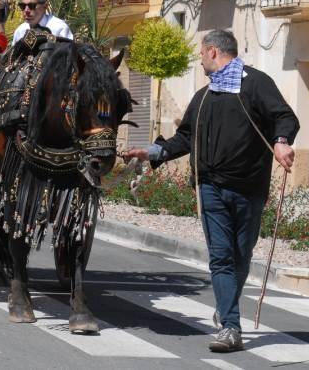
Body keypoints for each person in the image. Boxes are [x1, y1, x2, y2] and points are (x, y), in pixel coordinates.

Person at [123, 30, 299, 353]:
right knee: (221, 258)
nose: (200, 59)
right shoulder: (203, 98)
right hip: (210, 189)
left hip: (249, 189)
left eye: (202, 53)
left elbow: (284, 117)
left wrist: (282, 142)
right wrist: (151, 153)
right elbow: (183, 138)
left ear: (214, 52)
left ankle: (225, 303)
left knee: (240, 257)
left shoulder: (256, 84)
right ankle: (231, 327)